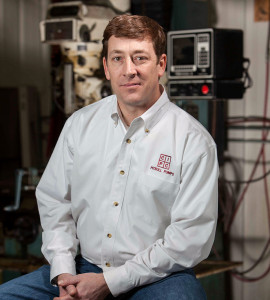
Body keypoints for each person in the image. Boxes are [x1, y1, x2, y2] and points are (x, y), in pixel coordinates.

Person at [0, 14, 218, 300]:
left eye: (140, 58)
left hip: (159, 277)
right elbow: (55, 201)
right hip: (81, 267)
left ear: (161, 64)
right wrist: (65, 274)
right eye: (118, 59)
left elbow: (187, 240)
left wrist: (109, 282)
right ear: (105, 67)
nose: (129, 70)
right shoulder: (80, 125)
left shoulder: (193, 141)